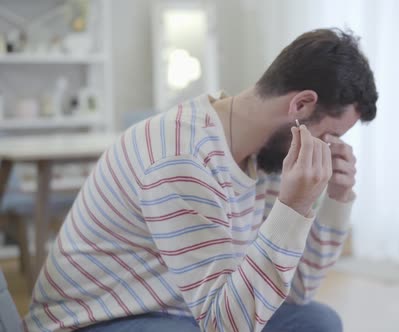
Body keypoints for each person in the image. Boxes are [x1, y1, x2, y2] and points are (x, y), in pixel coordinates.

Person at [24, 28, 378, 332]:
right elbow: (226, 325)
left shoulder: (267, 158)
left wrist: (336, 199)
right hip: (97, 319)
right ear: (300, 105)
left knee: (316, 322)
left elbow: (296, 291)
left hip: (183, 310)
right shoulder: (182, 154)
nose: (328, 151)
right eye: (328, 135)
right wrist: (293, 207)